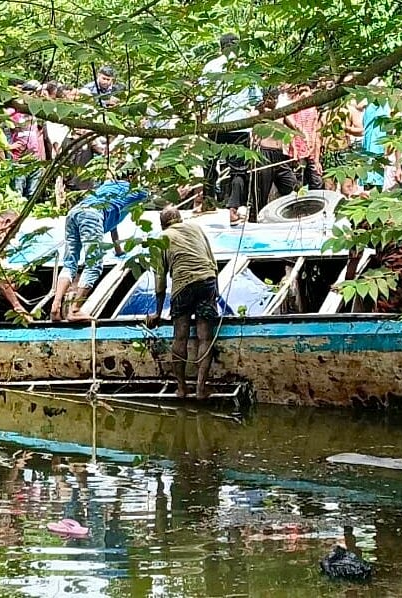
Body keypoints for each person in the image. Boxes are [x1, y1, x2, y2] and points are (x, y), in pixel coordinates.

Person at [146, 206, 219, 399]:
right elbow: (212, 262)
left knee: (180, 337)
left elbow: (160, 280)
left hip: (183, 286)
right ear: (180, 218)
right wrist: (215, 292)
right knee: (205, 336)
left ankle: (182, 388)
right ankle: (201, 389)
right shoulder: (196, 228)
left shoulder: (160, 239)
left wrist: (157, 312)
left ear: (162, 225)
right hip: (207, 281)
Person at [50, 178, 147, 321]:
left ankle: (55, 305)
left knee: (70, 263)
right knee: (94, 264)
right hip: (92, 216)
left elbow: (113, 224)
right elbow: (158, 199)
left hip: (75, 212)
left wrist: (118, 250)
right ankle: (75, 310)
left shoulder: (108, 186)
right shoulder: (136, 192)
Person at [199, 33, 262, 225]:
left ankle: (208, 202)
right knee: (238, 170)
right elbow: (256, 100)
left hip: (216, 123)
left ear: (221, 47)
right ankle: (233, 210)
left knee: (209, 165)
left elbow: (201, 97)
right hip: (239, 125)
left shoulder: (210, 66)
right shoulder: (246, 68)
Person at [251, 88, 296, 214]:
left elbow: (293, 128)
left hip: (279, 154)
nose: (275, 101)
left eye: (276, 98)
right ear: (266, 98)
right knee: (262, 189)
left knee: (290, 183)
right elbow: (251, 127)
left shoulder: (280, 112)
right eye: (272, 98)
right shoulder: (259, 113)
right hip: (264, 153)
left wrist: (299, 142)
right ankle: (256, 215)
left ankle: (284, 210)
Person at [284, 82, 322, 190]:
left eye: (306, 91)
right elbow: (290, 129)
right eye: (301, 91)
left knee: (316, 179)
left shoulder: (313, 109)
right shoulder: (293, 107)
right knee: (298, 180)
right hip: (298, 148)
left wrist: (316, 153)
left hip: (311, 148)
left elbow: (315, 129)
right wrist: (294, 149)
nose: (304, 94)